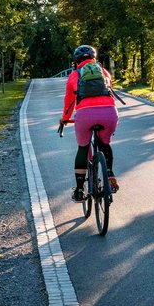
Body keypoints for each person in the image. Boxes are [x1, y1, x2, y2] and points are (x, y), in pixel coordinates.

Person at [61, 44, 120, 200]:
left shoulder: (74, 75)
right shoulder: (104, 72)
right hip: (109, 113)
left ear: (76, 61)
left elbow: (69, 103)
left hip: (85, 116)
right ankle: (109, 174)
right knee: (105, 143)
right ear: (94, 58)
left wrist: (65, 119)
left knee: (83, 147)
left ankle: (80, 190)